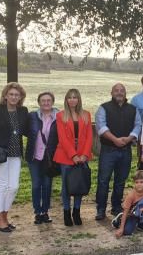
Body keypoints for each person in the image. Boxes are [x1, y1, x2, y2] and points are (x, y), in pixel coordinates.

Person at [0, 82, 29, 232]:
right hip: (0, 153)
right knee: (2, 185)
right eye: (11, 94)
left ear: (21, 97)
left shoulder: (23, 111)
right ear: (5, 96)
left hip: (16, 154)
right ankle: (0, 220)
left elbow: (27, 130)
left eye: (17, 94)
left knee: (13, 187)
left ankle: (4, 217)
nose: (14, 97)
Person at [95, 83, 142, 220]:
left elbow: (138, 125)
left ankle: (116, 207)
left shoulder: (133, 109)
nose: (119, 93)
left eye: (122, 90)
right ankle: (101, 209)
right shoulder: (104, 108)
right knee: (103, 180)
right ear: (111, 93)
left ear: (125, 93)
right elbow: (101, 126)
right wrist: (115, 139)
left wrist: (129, 138)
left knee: (120, 181)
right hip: (108, 150)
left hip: (126, 150)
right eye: (116, 90)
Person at [54, 88, 94, 226]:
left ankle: (76, 212)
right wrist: (73, 155)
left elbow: (89, 137)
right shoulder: (60, 116)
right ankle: (66, 213)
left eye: (75, 97)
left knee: (79, 184)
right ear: (66, 100)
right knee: (67, 186)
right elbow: (62, 138)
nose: (72, 100)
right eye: (70, 97)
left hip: (83, 155)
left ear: (79, 99)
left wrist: (84, 154)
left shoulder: (86, 115)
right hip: (66, 156)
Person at [25, 92, 58, 225]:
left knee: (47, 184)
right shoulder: (32, 116)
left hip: (49, 157)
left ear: (52, 102)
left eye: (48, 100)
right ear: (39, 102)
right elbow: (25, 131)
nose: (46, 103)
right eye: (43, 100)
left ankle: (45, 212)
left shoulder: (59, 117)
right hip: (34, 156)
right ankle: (37, 212)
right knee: (36, 184)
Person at [114, 170, 143, 237]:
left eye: (141, 182)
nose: (139, 184)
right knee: (127, 232)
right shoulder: (131, 195)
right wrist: (121, 228)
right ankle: (119, 220)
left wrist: (141, 210)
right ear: (134, 183)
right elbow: (126, 211)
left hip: (141, 212)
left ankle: (141, 225)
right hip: (132, 214)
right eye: (136, 182)